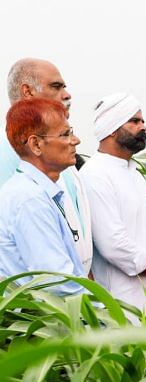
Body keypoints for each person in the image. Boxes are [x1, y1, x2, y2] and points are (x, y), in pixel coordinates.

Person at [80, 92, 146, 313]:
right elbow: (114, 245)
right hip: (123, 301)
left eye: (143, 121)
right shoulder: (94, 175)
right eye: (135, 121)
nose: (143, 127)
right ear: (112, 128)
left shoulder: (134, 173)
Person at [1, 58, 93, 274]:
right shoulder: (8, 159)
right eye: (56, 86)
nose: (67, 94)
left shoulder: (61, 161)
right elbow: (50, 274)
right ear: (28, 92)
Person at [0, 99, 86, 295]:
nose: (75, 140)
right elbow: (58, 283)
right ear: (36, 144)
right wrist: (110, 315)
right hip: (53, 320)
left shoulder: (34, 191)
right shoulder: (30, 200)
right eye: (66, 134)